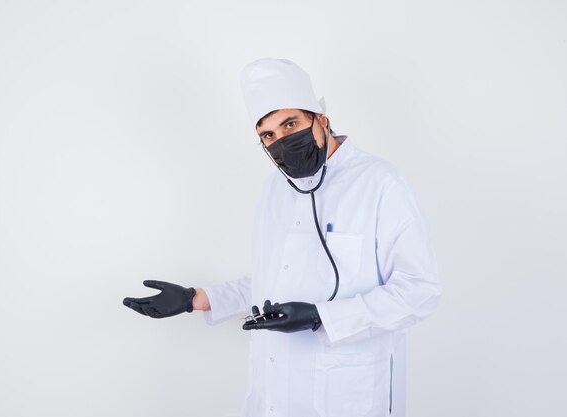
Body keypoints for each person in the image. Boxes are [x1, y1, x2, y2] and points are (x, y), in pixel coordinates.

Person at [123, 58, 441, 417]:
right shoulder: (276, 188)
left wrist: (322, 317)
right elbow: (273, 280)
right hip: (274, 389)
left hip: (347, 392)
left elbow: (419, 291)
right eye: (268, 136)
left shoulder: (382, 184)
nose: (281, 142)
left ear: (321, 119)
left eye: (290, 124)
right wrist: (196, 298)